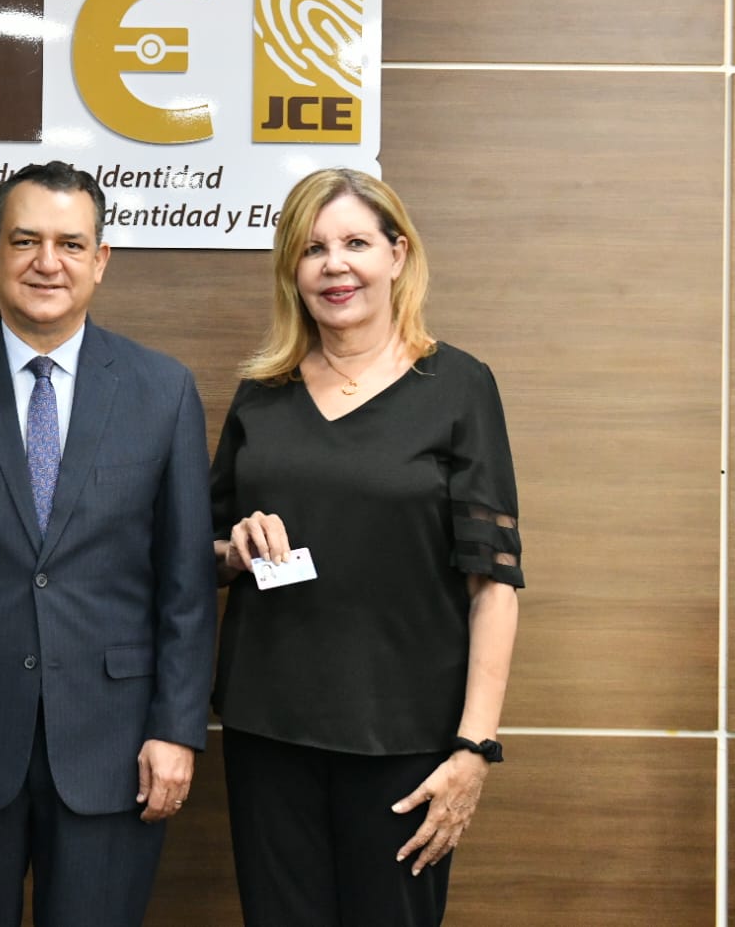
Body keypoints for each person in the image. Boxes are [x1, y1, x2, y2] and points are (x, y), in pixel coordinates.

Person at [0, 161, 216, 927]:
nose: (46, 262)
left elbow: (185, 587)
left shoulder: (163, 391)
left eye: (69, 244)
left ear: (100, 259)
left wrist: (175, 729)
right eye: (24, 241)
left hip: (114, 748)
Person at [211, 167, 522, 926]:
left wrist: (473, 748)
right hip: (268, 730)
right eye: (312, 248)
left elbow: (493, 584)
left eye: (355, 243)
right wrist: (234, 550)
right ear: (292, 269)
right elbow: (200, 549)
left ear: (397, 254)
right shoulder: (262, 392)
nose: (334, 265)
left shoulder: (458, 385)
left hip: (405, 739)